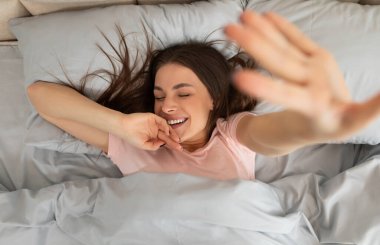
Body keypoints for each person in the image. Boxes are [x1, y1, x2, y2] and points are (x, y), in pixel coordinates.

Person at [27, 11, 380, 181]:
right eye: (159, 94)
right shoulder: (131, 142)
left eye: (184, 93)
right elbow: (40, 97)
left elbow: (273, 136)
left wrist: (316, 127)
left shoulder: (230, 135)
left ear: (213, 98)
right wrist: (120, 124)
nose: (167, 106)